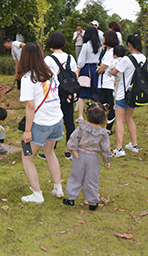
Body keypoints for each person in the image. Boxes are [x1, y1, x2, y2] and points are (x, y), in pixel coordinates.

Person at [19, 42, 64, 204]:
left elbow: (30, 107)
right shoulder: (51, 72)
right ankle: (58, 188)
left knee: (27, 157)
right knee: (49, 152)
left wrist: (27, 130)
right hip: (57, 119)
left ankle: (37, 194)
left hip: (41, 123)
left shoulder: (27, 78)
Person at [62, 102, 111, 209]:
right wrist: (107, 159)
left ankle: (71, 198)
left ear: (88, 114)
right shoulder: (103, 133)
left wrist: (73, 149)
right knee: (92, 179)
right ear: (103, 118)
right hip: (93, 158)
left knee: (75, 176)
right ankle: (92, 203)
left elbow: (73, 137)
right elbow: (106, 147)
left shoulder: (82, 127)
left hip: (80, 156)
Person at [109, 34, 145, 158]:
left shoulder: (127, 59)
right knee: (129, 118)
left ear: (129, 45)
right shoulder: (143, 58)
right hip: (135, 93)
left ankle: (119, 148)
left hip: (123, 93)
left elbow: (114, 72)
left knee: (119, 119)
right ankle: (134, 145)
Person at [44, 31, 78, 159]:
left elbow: (45, 78)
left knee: (53, 120)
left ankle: (51, 148)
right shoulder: (70, 58)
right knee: (69, 121)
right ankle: (69, 149)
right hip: (68, 94)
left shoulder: (48, 59)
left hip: (54, 95)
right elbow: (75, 75)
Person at [96, 30, 119, 135]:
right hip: (105, 82)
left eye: (104, 37)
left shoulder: (110, 53)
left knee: (109, 106)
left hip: (107, 83)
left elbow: (102, 69)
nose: (102, 39)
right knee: (104, 105)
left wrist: (99, 69)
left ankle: (109, 128)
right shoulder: (109, 51)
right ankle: (104, 126)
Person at [77, 25, 101, 118]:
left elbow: (81, 60)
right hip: (95, 68)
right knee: (94, 93)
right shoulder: (99, 46)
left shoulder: (85, 46)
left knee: (81, 94)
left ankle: (80, 115)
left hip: (86, 69)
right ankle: (93, 114)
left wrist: (78, 71)